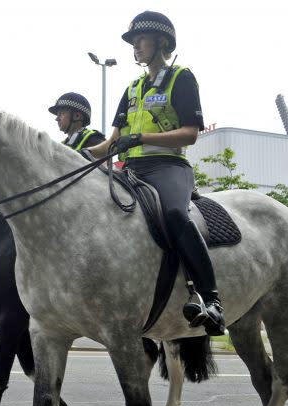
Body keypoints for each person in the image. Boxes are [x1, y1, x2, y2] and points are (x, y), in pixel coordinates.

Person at [82, 11, 224, 336]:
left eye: (141, 39)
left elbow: (190, 133)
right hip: (130, 171)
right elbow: (109, 145)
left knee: (175, 215)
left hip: (167, 168)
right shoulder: (132, 89)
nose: (135, 46)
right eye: (133, 41)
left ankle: (212, 301)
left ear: (162, 41)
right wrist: (71, 156)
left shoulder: (181, 78)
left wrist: (143, 137)